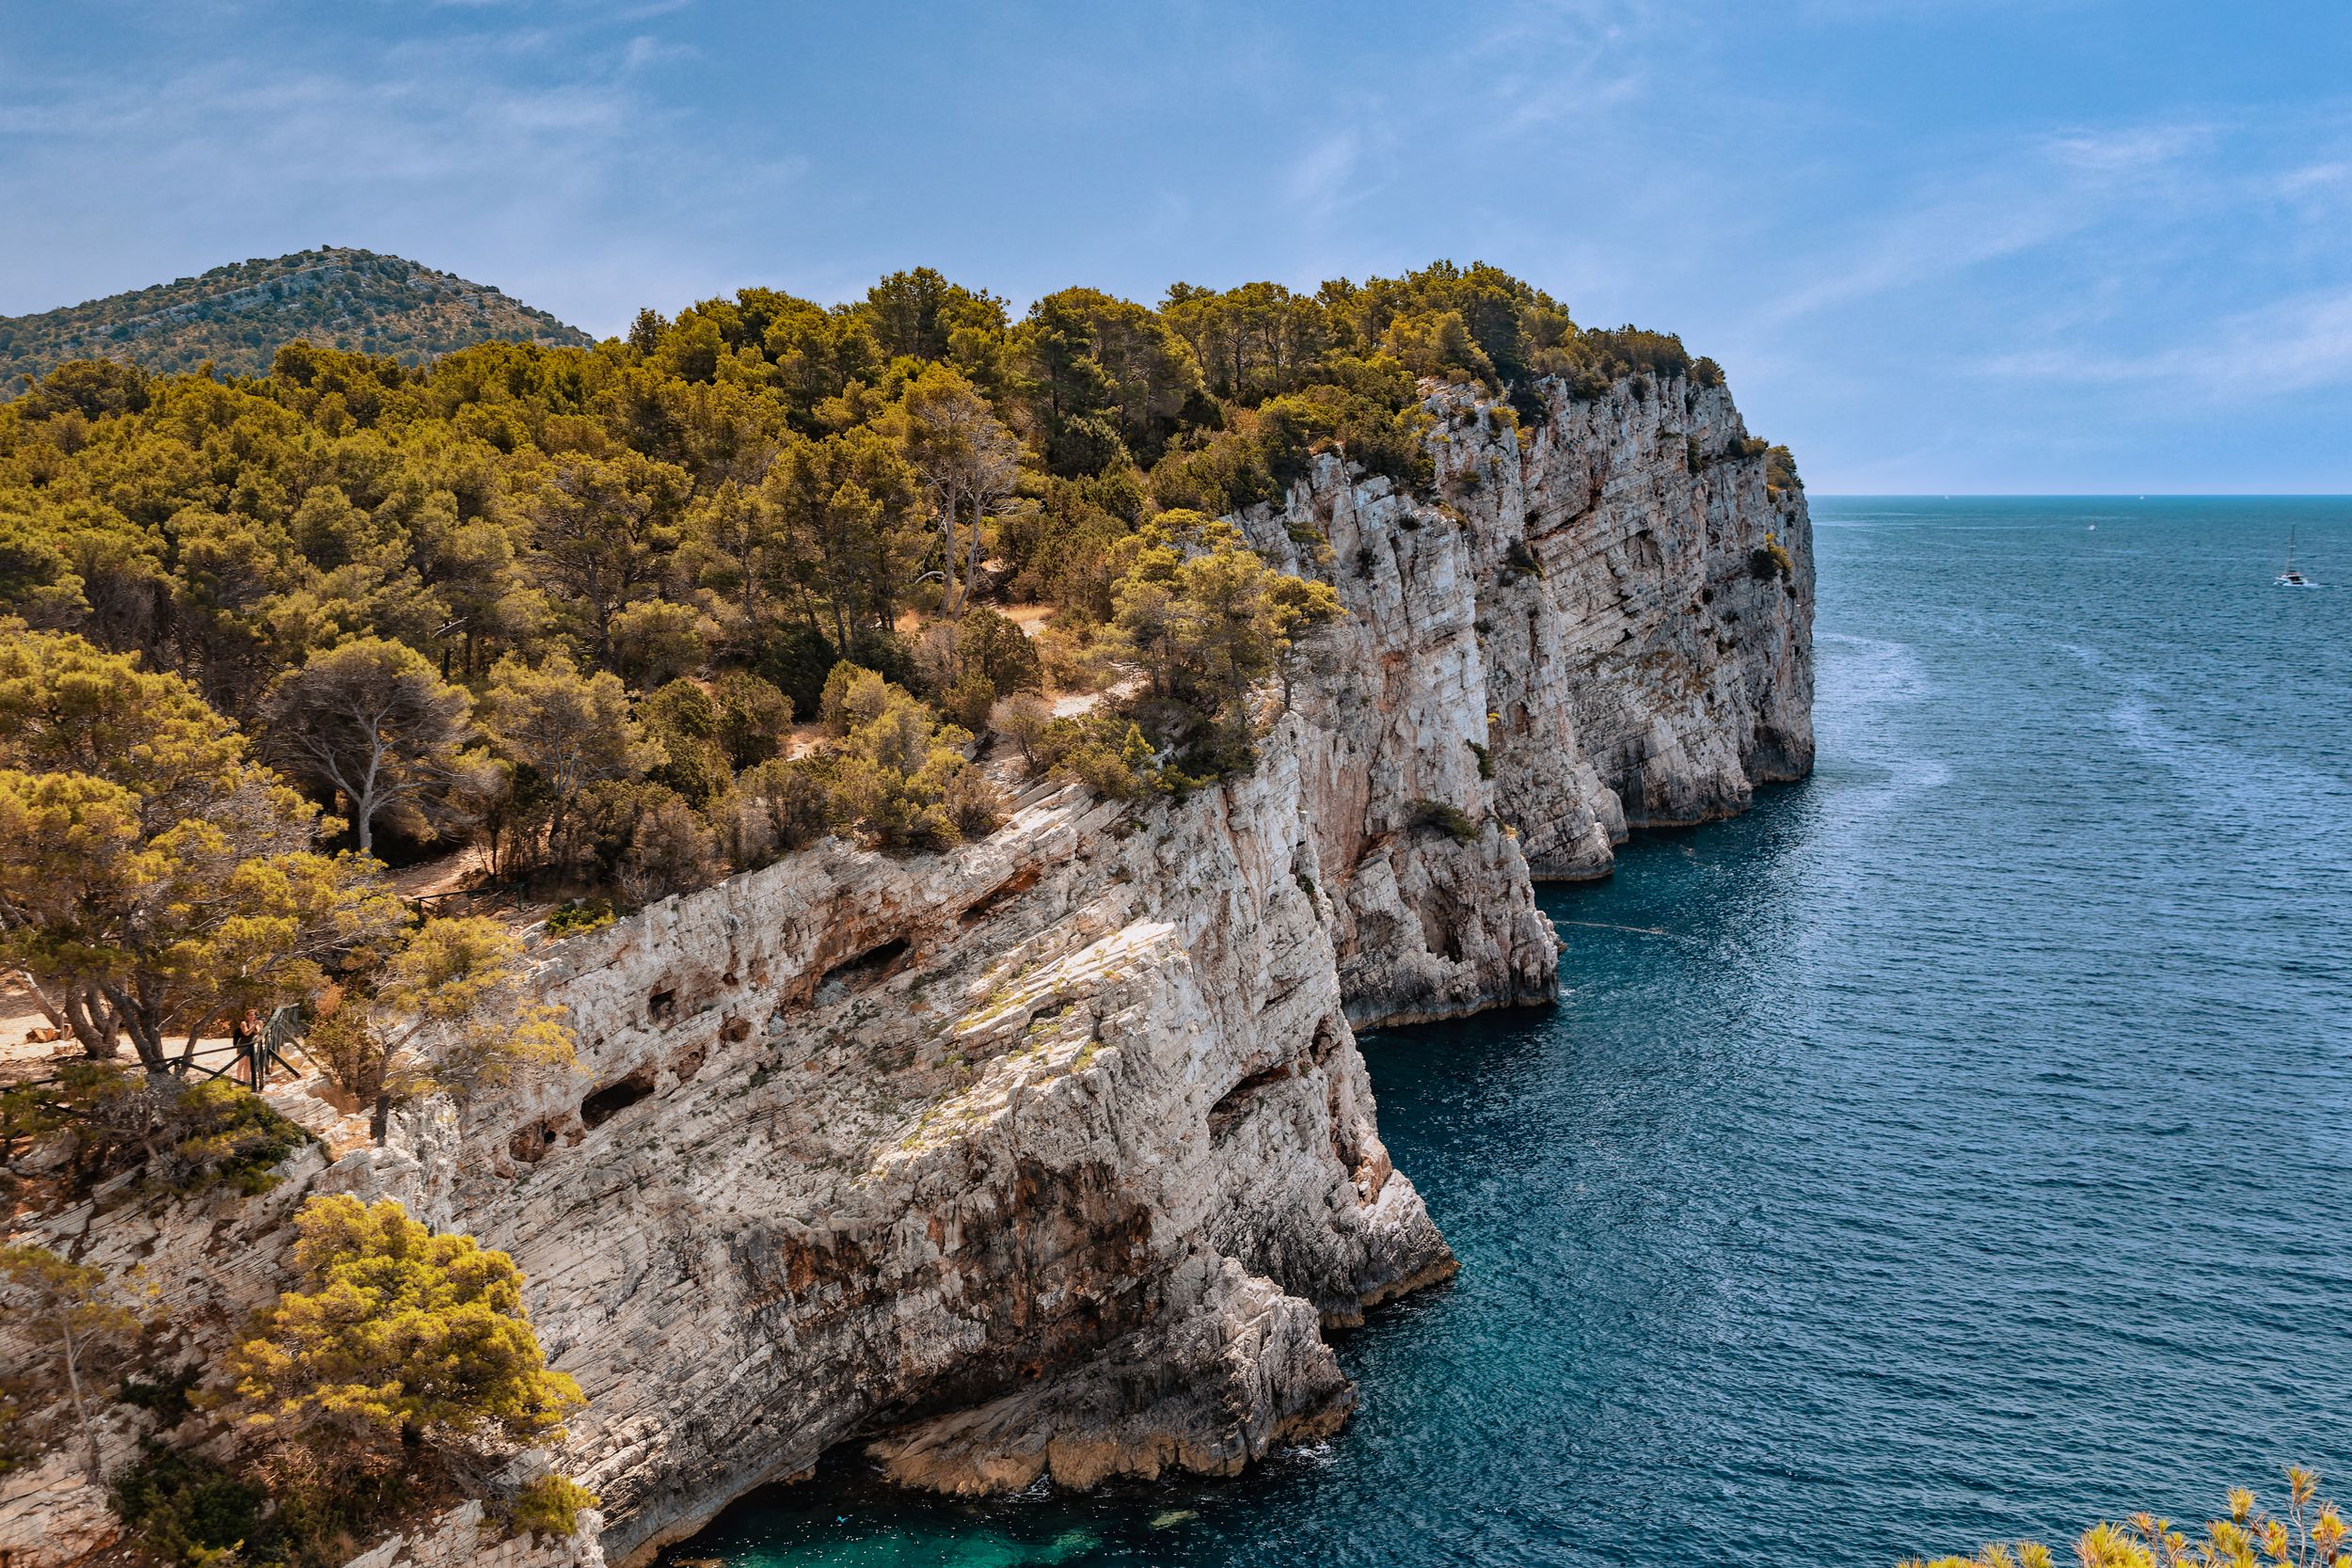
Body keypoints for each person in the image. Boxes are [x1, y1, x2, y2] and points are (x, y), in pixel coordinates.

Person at [230, 1007, 262, 1089]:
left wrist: (260, 1025)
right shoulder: (243, 1023)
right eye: (250, 1015)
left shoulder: (256, 1023)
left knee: (248, 1065)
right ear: (247, 1016)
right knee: (241, 1063)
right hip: (243, 1045)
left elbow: (259, 1033)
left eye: (253, 1015)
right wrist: (254, 1025)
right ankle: (238, 1080)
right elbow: (247, 1033)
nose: (252, 1017)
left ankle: (245, 1081)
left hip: (250, 1045)